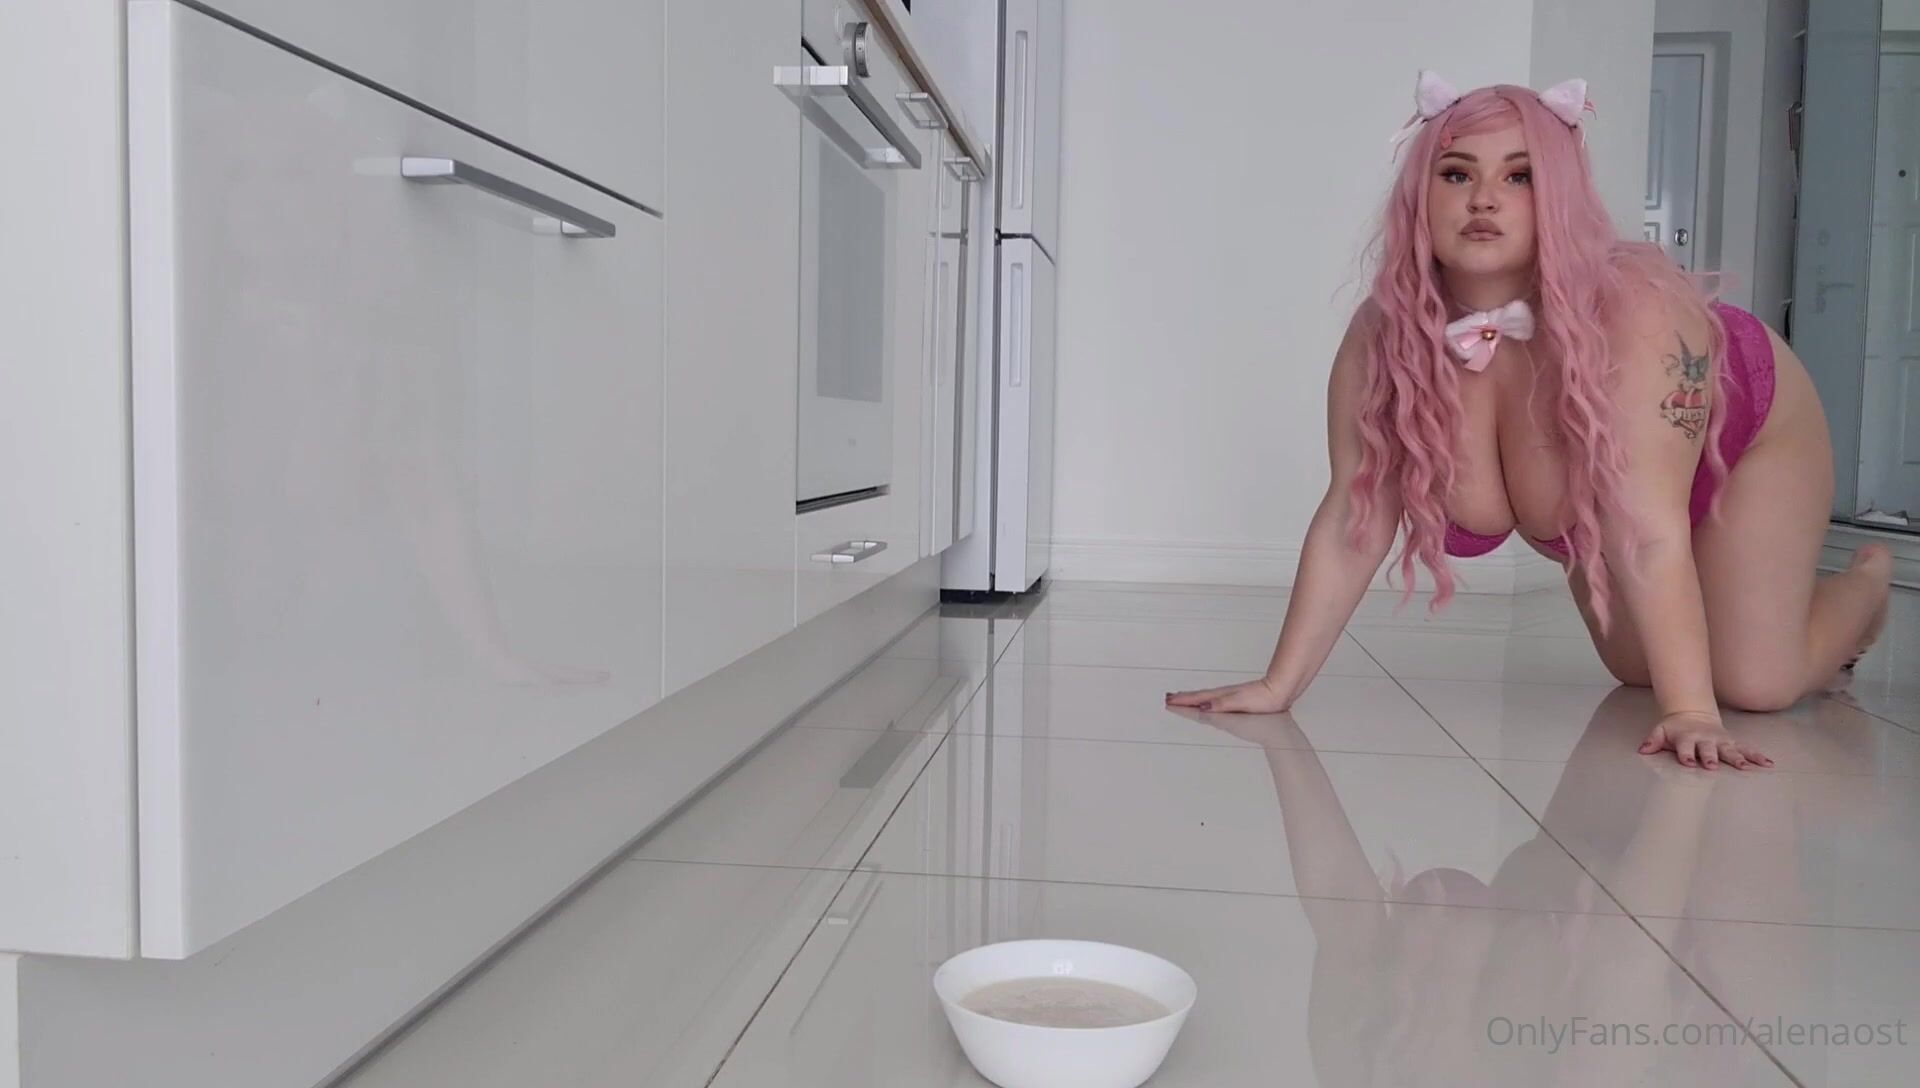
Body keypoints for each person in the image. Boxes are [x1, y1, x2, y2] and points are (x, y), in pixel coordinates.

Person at [1166, 73, 1893, 769]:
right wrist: (1280, 684)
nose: (1484, 198)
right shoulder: (1386, 334)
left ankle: (1864, 588)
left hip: (1749, 433)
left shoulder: (1639, 315)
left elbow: (1647, 531)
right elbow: (1354, 512)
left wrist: (1691, 713)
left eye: (1521, 177)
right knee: (1635, 669)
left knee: (1753, 684)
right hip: (1631, 509)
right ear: (1419, 195)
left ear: (1560, 198)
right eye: (1457, 174)